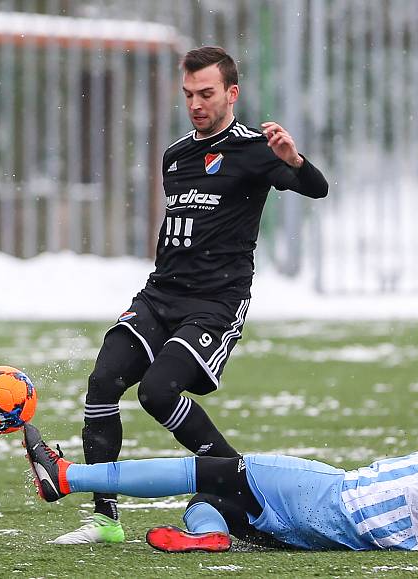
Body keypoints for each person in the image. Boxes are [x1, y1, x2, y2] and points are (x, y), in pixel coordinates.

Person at [54, 46, 329, 544]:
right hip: (160, 295)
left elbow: (317, 188)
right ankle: (105, 520)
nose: (196, 103)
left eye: (206, 93)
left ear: (232, 93)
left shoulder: (255, 150)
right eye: (188, 95)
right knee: (102, 382)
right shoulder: (176, 155)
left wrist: (296, 160)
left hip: (215, 303)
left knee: (157, 393)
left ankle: (241, 489)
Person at [25, 377, 418, 551]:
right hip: (330, 537)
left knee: (209, 468)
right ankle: (207, 535)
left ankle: (66, 477)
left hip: (332, 496)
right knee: (212, 499)